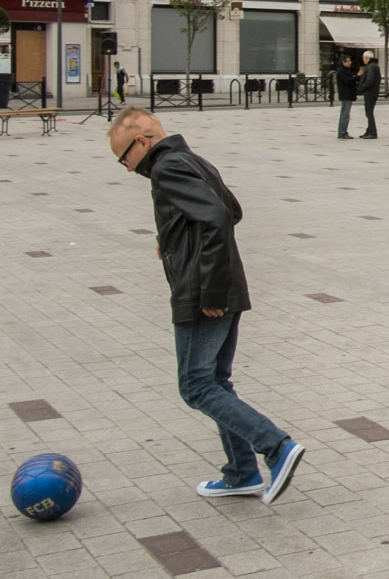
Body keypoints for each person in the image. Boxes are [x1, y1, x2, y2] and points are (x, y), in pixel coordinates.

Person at [105, 107, 306, 504]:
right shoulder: (191, 159)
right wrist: (174, 238)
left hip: (203, 293)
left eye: (123, 157)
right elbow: (232, 210)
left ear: (142, 143)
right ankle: (240, 474)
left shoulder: (167, 169)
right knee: (216, 382)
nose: (126, 168)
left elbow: (216, 218)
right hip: (223, 285)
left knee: (195, 385)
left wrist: (209, 293)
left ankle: (276, 447)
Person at [334, 55, 358, 139]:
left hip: (348, 95)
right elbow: (347, 81)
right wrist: (357, 77)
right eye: (348, 61)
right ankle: (342, 132)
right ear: (343, 62)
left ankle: (343, 132)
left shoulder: (345, 70)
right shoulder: (341, 71)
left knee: (345, 114)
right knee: (345, 114)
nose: (350, 62)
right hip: (346, 95)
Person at [358, 51, 380, 139]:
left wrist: (361, 88)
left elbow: (369, 80)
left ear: (367, 58)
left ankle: (373, 132)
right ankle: (369, 130)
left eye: (364, 58)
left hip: (370, 92)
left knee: (369, 112)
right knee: (369, 112)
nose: (363, 60)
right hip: (372, 92)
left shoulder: (371, 66)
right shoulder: (373, 66)